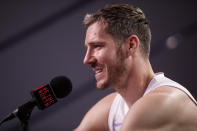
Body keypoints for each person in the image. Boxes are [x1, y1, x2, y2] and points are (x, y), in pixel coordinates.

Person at [75, 4, 197, 131]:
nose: (86, 60)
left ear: (131, 45)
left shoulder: (163, 102)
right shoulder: (113, 107)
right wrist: (50, 97)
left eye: (97, 46)